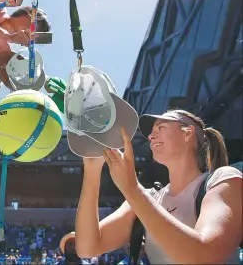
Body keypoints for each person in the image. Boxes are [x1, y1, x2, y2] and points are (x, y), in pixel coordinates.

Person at [74, 109, 242, 264]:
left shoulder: (223, 180)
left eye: (160, 128)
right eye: (152, 132)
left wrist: (132, 189)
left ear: (188, 133)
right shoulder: (149, 197)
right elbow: (87, 248)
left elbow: (204, 255)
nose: (151, 136)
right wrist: (92, 169)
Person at [0, 6, 51, 115]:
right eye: (34, 27)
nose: (29, 33)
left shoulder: (2, 50)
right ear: (28, 12)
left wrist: (26, 93)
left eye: (33, 37)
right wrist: (9, 36)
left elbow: (11, 70)